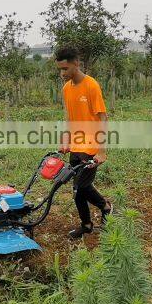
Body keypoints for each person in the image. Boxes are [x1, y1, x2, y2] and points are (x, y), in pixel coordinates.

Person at [56, 47, 113, 239]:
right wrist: (65, 140)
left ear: (76, 64)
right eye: (60, 70)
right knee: (77, 189)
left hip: (91, 146)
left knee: (80, 187)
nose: (62, 74)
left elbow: (103, 118)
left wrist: (102, 151)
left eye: (65, 69)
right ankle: (87, 225)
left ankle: (105, 206)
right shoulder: (66, 88)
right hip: (76, 146)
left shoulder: (91, 86)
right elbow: (69, 117)